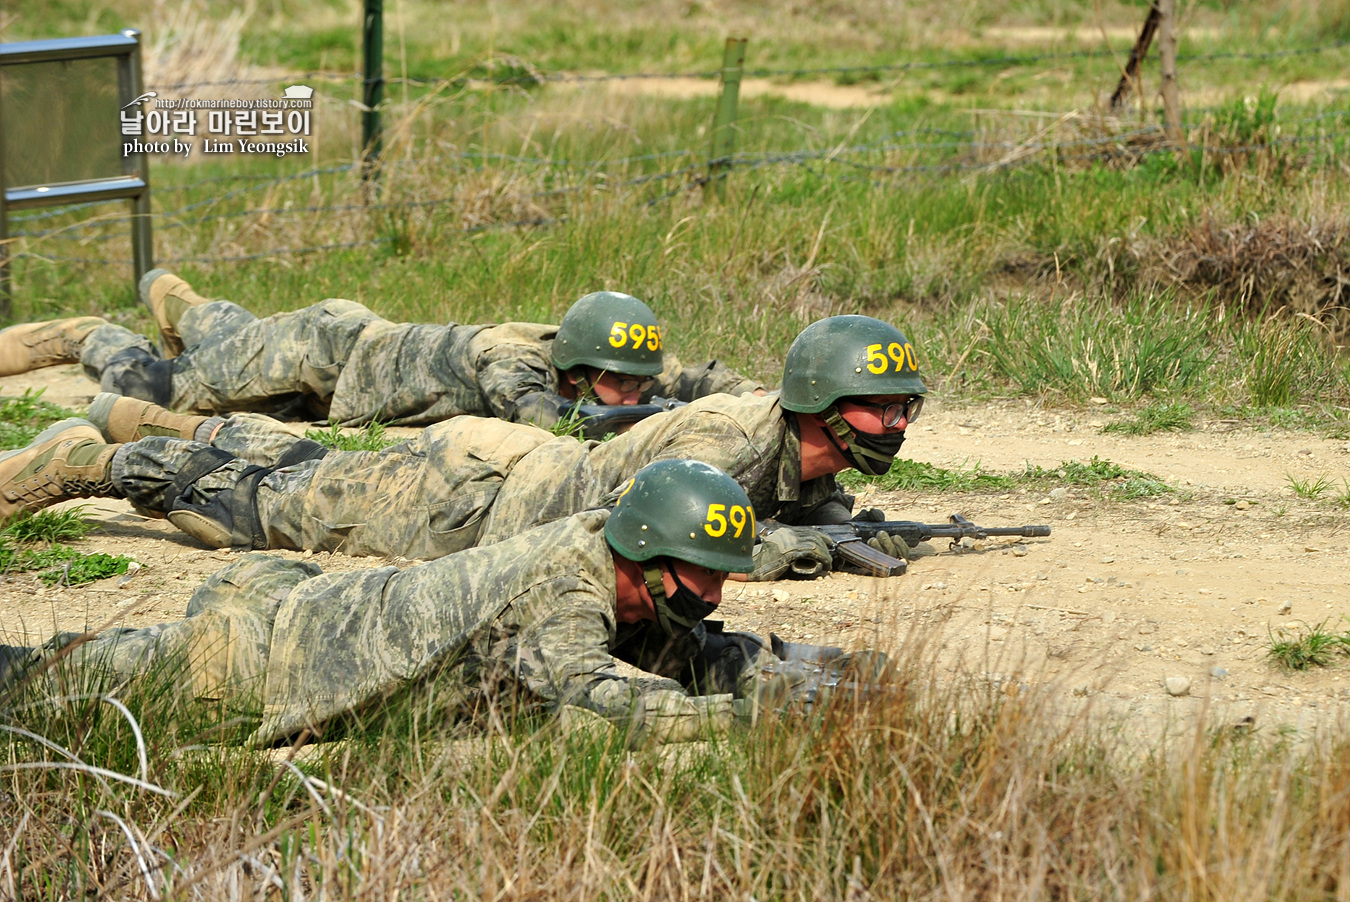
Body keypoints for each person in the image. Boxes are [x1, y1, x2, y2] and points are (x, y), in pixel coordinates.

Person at [0, 315, 926, 580]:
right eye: (877, 409)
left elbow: (798, 508)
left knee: (315, 476)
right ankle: (93, 463)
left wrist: (841, 525)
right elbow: (645, 528)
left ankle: (160, 429)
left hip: (499, 483)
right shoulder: (722, 440)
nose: (893, 428)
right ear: (818, 404)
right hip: (476, 496)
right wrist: (781, 548)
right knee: (267, 514)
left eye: (903, 412)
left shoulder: (803, 453)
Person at [0, 460, 800, 746]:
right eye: (700, 576)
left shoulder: (614, 554)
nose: (714, 594)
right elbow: (599, 699)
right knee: (32, 685)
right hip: (259, 665)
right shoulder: (565, 586)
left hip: (315, 605)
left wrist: (778, 669)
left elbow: (681, 651)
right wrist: (747, 715)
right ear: (646, 558)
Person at [0, 270, 762, 429]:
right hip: (325, 351)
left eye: (634, 384)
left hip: (340, 377)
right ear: (579, 368)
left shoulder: (602, 357)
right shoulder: (515, 361)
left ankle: (183, 302)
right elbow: (548, 423)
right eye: (619, 386)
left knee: (230, 345)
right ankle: (82, 335)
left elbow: (686, 374)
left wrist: (754, 397)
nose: (634, 392)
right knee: (162, 391)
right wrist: (657, 417)